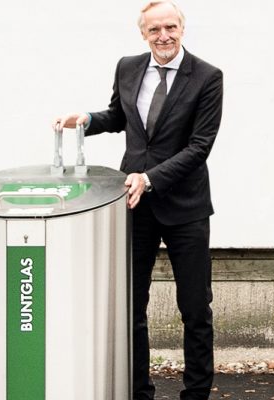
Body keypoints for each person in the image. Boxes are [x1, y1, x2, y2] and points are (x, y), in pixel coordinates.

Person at [51, 1, 223, 399]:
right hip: (133, 204)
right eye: (154, 30)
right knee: (131, 307)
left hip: (186, 208)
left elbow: (199, 146)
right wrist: (87, 121)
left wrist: (150, 178)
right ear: (142, 34)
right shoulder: (128, 66)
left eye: (170, 27)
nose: (163, 36)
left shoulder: (208, 77)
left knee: (195, 309)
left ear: (182, 27)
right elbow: (118, 115)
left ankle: (195, 393)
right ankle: (137, 391)